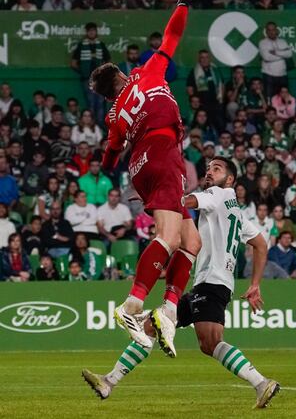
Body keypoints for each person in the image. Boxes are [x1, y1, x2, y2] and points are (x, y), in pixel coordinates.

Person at [83, 156, 280, 408]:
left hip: (212, 283)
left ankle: (262, 383)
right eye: (208, 168)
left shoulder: (217, 195)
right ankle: (108, 382)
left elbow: (184, 202)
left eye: (216, 169)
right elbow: (261, 244)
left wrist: (152, 198)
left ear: (230, 179)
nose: (209, 172)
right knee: (153, 328)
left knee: (210, 342)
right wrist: (255, 284)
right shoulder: (237, 213)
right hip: (213, 284)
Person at [87, 0, 206, 354]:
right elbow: (172, 35)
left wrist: (115, 136)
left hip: (143, 164)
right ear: (121, 76)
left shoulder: (114, 116)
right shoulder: (146, 72)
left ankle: (167, 312)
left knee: (192, 242)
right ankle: (132, 305)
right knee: (170, 238)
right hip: (162, 148)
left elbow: (108, 159)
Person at [71, 23, 111, 124]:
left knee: (101, 103)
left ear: (96, 32)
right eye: (90, 31)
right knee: (91, 103)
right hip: (87, 80)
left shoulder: (101, 45)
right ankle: (92, 125)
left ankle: (101, 127)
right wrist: (83, 72)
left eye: (93, 30)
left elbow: (109, 61)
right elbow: (73, 63)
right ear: (87, 32)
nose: (92, 32)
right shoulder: (81, 45)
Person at [259, 21, 292, 98]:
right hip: (269, 75)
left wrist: (276, 52)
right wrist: (282, 54)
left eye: (273, 29)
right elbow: (267, 57)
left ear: (276, 30)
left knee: (284, 98)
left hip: (283, 75)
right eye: (269, 30)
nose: (271, 32)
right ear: (266, 32)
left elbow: (289, 54)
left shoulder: (282, 42)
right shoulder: (263, 43)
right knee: (270, 98)